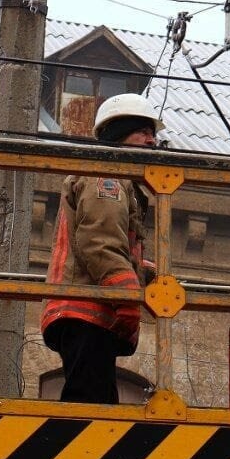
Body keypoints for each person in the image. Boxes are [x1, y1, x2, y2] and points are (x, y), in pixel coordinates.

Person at [40, 93, 162, 403]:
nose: (152, 141)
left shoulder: (117, 181)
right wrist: (126, 294)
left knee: (99, 401)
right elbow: (99, 241)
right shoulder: (106, 176)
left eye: (153, 134)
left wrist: (142, 274)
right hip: (87, 311)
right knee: (89, 404)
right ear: (119, 134)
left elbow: (105, 239)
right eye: (143, 132)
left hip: (88, 310)